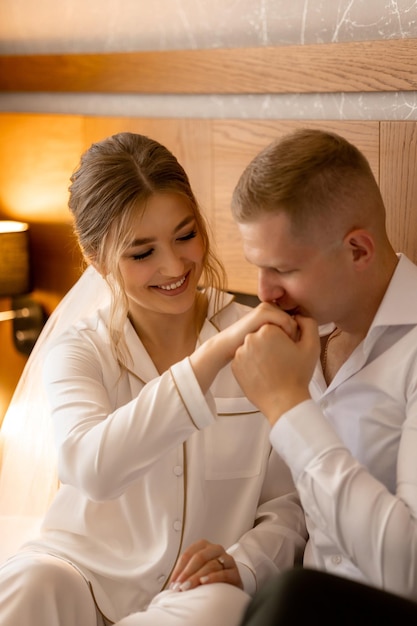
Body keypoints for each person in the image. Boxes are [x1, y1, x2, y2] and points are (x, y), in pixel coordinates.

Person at [0, 132, 307, 626]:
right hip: (78, 574)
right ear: (96, 258)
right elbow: (90, 467)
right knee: (28, 584)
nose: (173, 266)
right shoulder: (79, 349)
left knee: (218, 607)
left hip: (196, 593)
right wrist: (214, 356)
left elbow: (288, 504)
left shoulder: (264, 342)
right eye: (141, 253)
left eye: (185, 236)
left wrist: (244, 564)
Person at [228, 128, 417, 621]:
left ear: (357, 250)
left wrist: (287, 408)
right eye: (257, 267)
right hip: (304, 604)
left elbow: (410, 569)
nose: (265, 292)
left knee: (293, 600)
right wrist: (242, 566)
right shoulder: (299, 338)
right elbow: (305, 512)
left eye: (282, 270)